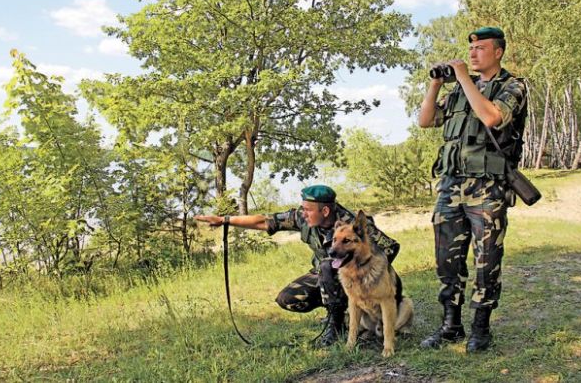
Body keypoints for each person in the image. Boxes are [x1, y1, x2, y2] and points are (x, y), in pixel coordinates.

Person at [417, 27, 528, 352]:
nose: (474, 53)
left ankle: (481, 328)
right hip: (451, 186)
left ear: (498, 52)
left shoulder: (513, 85)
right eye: (472, 48)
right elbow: (426, 121)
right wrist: (436, 83)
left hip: (487, 188)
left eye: (481, 48)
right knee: (447, 260)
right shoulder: (457, 92)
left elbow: (492, 117)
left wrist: (463, 77)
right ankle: (451, 326)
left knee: (486, 260)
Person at [195, 184, 400, 347]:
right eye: (303, 208)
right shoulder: (302, 217)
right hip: (328, 274)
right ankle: (339, 313)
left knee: (330, 267)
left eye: (308, 210)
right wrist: (225, 220)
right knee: (289, 298)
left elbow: (390, 247)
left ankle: (337, 324)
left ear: (325, 210)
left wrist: (365, 278)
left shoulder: (352, 224)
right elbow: (264, 222)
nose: (303, 213)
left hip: (360, 275)